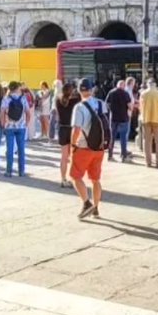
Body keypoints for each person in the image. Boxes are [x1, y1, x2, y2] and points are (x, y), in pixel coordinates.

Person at [70, 77, 109, 219]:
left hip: (83, 147)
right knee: (95, 179)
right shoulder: (101, 104)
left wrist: (73, 145)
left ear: (79, 90)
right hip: (99, 147)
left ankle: (87, 203)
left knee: (75, 176)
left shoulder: (79, 107)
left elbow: (76, 129)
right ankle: (96, 208)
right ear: (92, 90)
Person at [54, 81, 79, 188]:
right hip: (72, 129)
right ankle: (74, 178)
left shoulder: (58, 100)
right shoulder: (75, 101)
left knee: (64, 157)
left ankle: (63, 179)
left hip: (62, 129)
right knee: (74, 155)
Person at [139, 77, 158, 167]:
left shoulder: (143, 94)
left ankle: (148, 162)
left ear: (148, 84)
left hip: (146, 119)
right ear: (155, 84)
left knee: (147, 142)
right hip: (157, 119)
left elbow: (140, 107)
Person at [2, 81, 28, 176]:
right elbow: (28, 113)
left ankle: (8, 171)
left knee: (10, 149)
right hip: (21, 127)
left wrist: (3, 124)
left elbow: (2, 113)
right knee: (21, 149)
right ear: (17, 88)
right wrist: (26, 124)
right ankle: (21, 171)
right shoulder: (23, 98)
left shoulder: (6, 98)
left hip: (9, 127)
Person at [105, 79, 133, 162]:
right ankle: (123, 156)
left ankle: (110, 156)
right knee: (123, 138)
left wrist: (111, 110)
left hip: (113, 118)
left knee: (112, 137)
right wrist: (130, 110)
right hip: (123, 118)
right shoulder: (125, 93)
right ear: (123, 86)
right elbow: (129, 105)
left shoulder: (111, 92)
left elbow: (107, 103)